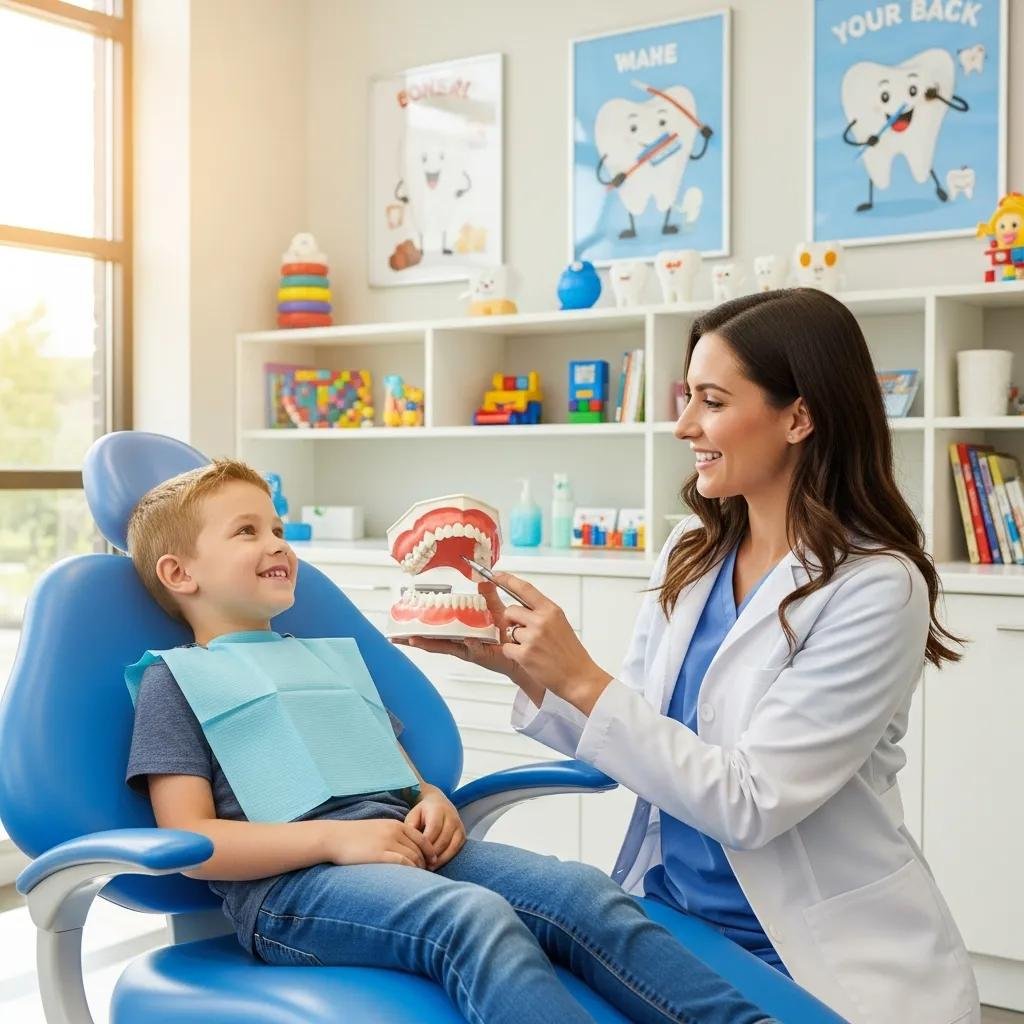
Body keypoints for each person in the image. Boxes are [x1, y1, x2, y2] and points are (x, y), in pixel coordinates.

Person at [403, 288, 981, 1024]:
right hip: (673, 916)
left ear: (798, 417)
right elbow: (640, 739)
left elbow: (750, 803)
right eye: (687, 398)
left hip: (805, 950)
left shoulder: (876, 587)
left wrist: (579, 672)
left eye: (711, 401)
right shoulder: (694, 551)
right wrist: (523, 665)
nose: (682, 425)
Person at [124, 458, 776, 1024]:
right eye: (248, 532)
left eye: (277, 528)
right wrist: (334, 839)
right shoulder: (174, 680)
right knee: (474, 920)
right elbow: (194, 843)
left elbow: (393, 770)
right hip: (291, 891)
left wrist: (430, 796)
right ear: (181, 573)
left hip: (406, 848)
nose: (278, 544)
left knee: (584, 892)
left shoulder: (324, 661)